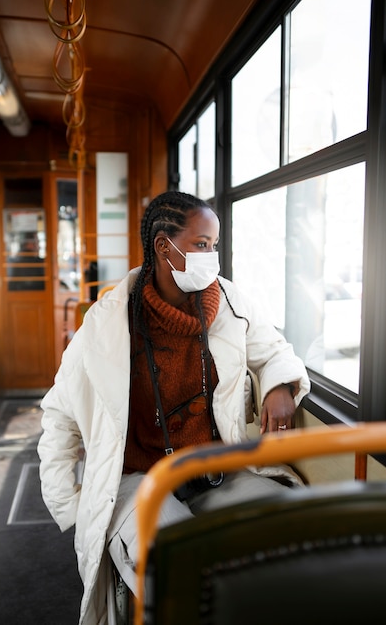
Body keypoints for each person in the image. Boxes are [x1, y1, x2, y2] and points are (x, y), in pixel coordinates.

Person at [37, 191, 310, 625]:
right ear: (165, 247)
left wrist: (280, 384)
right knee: (180, 569)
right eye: (202, 245)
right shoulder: (108, 323)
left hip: (216, 472)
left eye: (215, 246)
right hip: (139, 480)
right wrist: (72, 506)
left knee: (290, 531)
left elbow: (273, 348)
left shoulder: (230, 303)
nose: (212, 257)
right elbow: (59, 415)